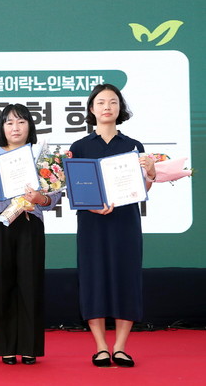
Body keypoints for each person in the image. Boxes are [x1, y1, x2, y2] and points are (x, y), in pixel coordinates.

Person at [69, 84, 154, 368]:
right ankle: (101, 347)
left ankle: (120, 347)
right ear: (91, 109)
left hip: (125, 222)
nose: (107, 107)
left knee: (126, 278)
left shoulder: (133, 146)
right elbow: (74, 189)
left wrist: (151, 173)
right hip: (92, 222)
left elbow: (142, 190)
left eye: (113, 102)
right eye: (101, 102)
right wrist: (91, 204)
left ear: (120, 108)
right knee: (93, 279)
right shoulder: (79, 147)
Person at [0, 103, 62, 365]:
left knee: (30, 284)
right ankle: (7, 347)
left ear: (29, 126)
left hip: (30, 223)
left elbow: (53, 197)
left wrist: (40, 198)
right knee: (1, 285)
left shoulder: (41, 157)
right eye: (10, 122)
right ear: (1, 127)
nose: (16, 127)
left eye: (21, 122)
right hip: (0, 223)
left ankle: (29, 346)